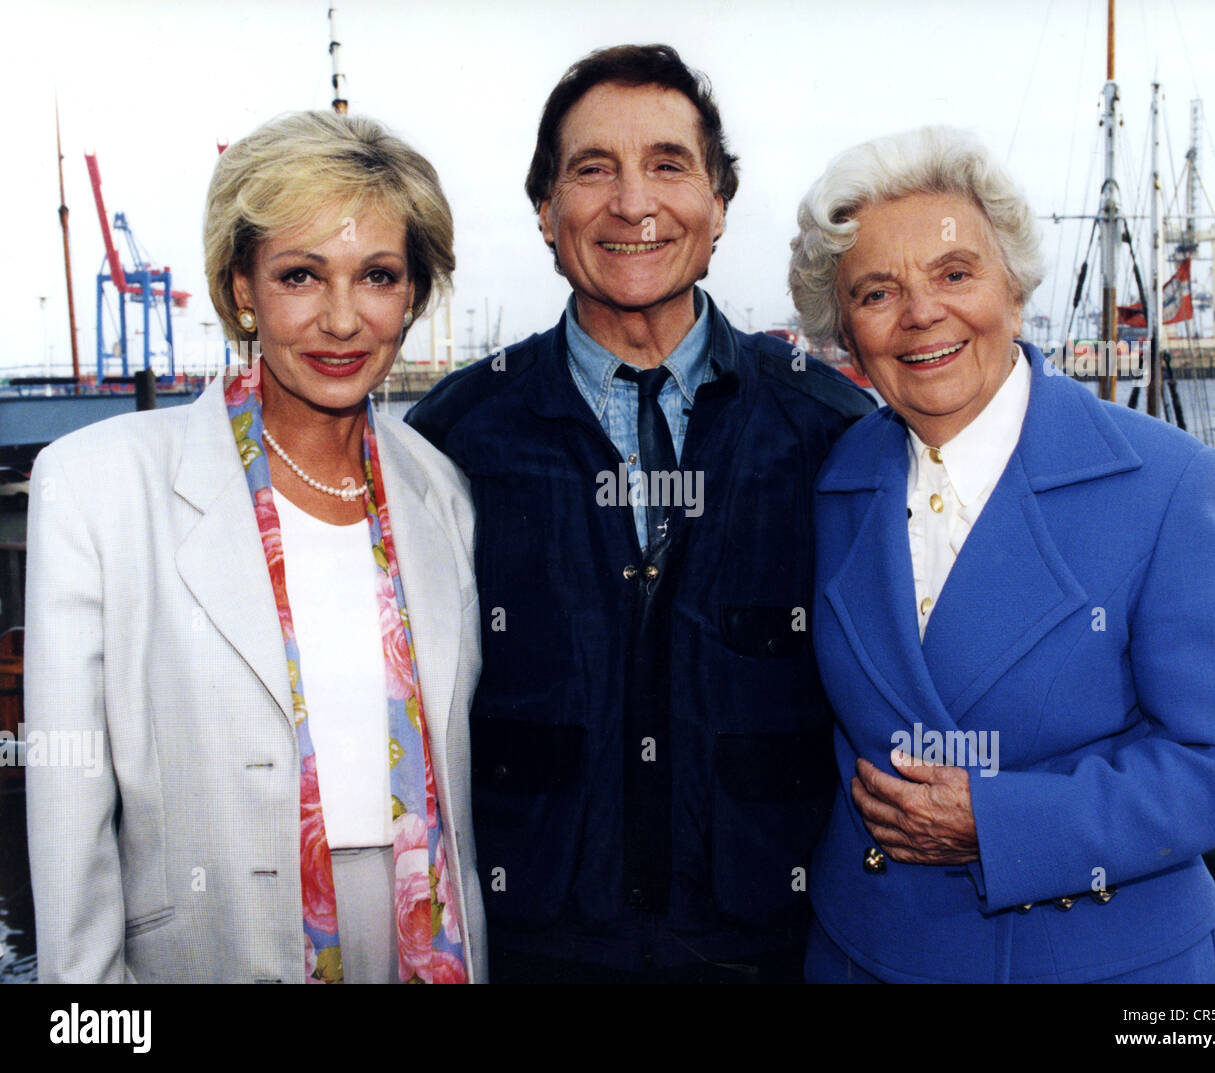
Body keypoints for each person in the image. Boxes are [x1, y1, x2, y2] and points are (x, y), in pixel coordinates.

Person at [405, 44, 874, 983]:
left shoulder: (832, 430)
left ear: (719, 205)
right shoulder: (454, 437)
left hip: (772, 952)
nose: (632, 203)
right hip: (536, 949)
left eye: (668, 164)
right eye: (592, 170)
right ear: (546, 211)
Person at [788, 125, 1215, 983]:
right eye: (877, 292)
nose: (920, 315)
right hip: (865, 953)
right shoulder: (839, 477)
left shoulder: (1161, 483)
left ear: (1014, 292)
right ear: (847, 335)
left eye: (954, 274)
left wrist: (1003, 821)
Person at [25, 110, 486, 984]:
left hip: (424, 941)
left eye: (378, 276)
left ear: (413, 294)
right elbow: (66, 818)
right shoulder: (96, 489)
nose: (343, 320)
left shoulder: (442, 492)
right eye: (301, 275)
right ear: (243, 287)